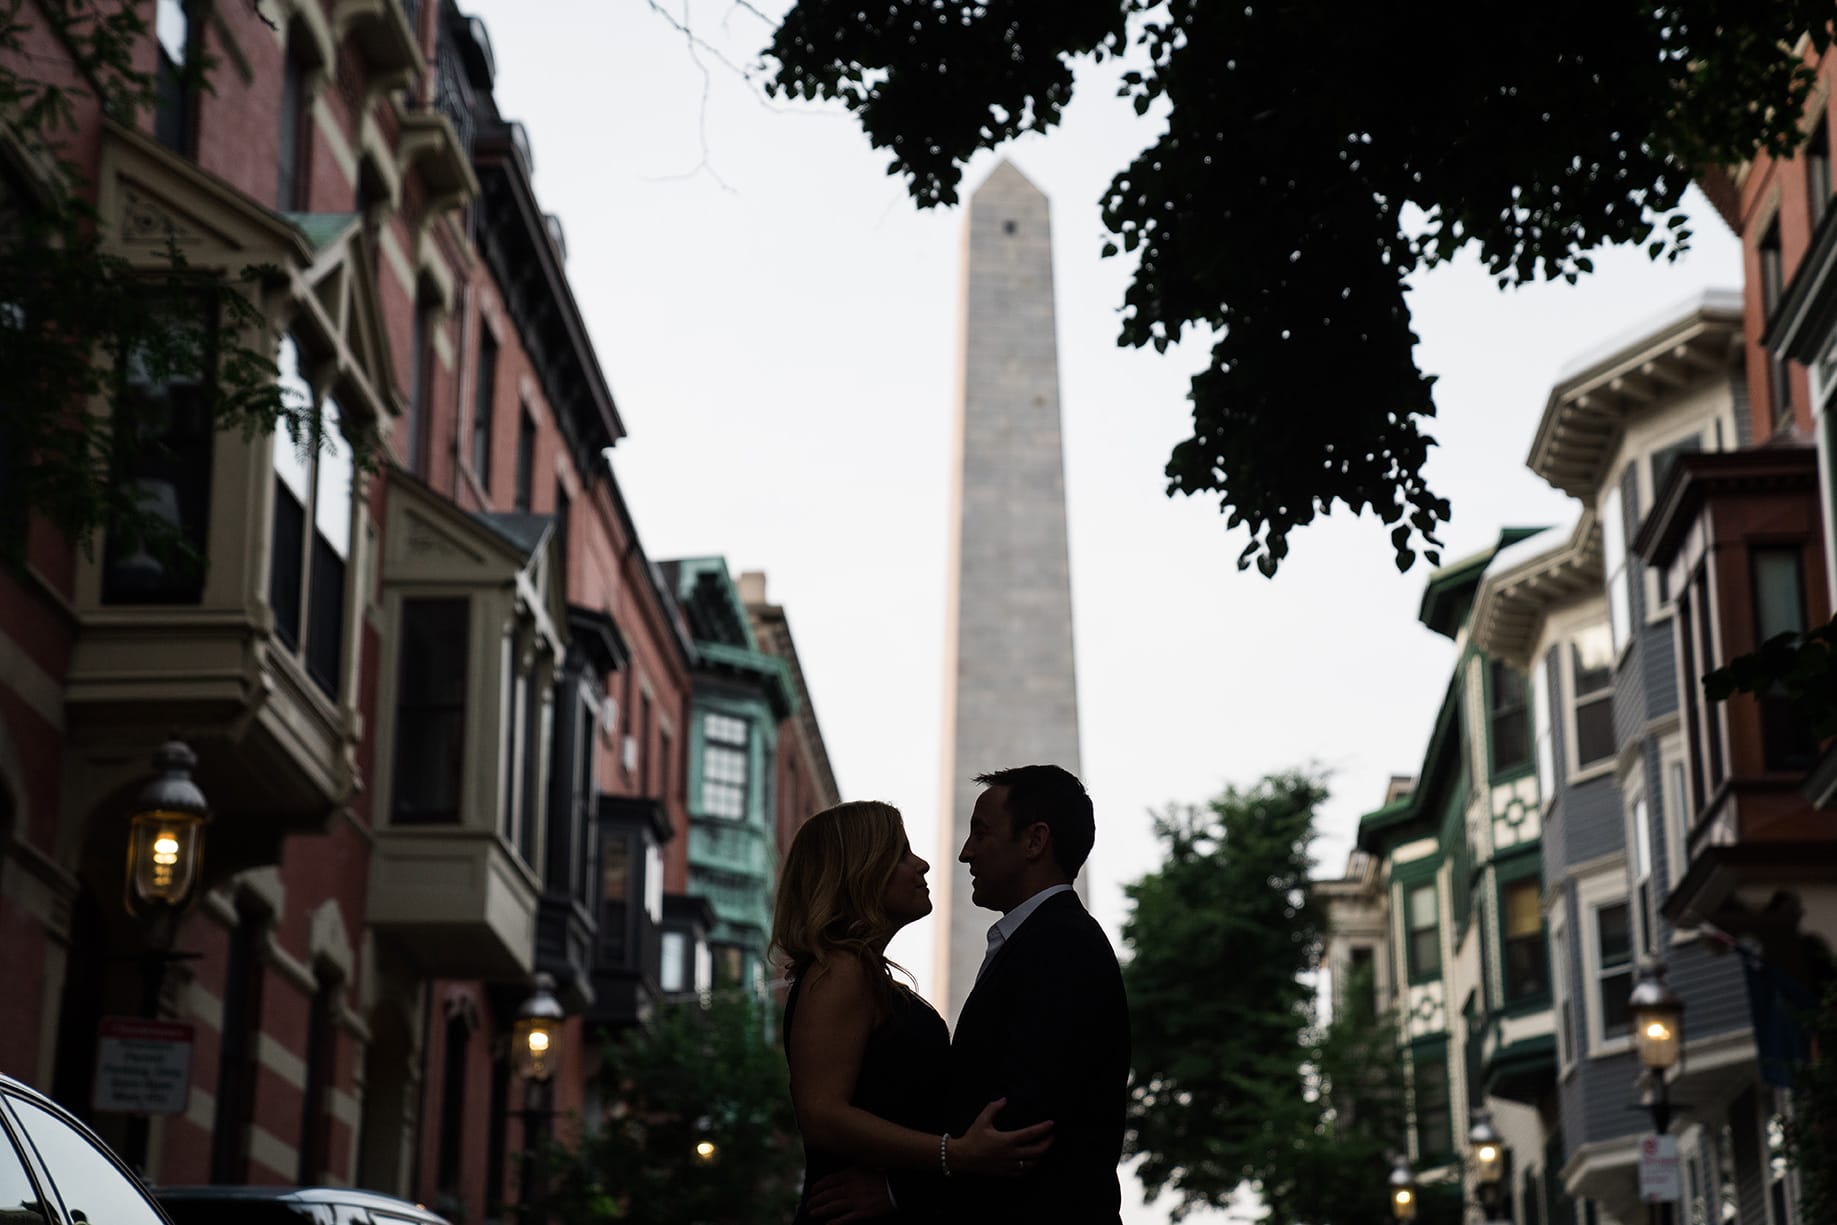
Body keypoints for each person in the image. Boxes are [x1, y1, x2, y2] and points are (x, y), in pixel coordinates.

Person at [773, 800, 1054, 1224]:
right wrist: (954, 1154)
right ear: (861, 870)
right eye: (901, 853)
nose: (922, 864)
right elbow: (821, 1113)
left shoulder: (859, 974)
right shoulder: (841, 970)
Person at [947, 765, 1131, 1225]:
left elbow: (1020, 1124)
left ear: (1034, 841)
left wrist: (899, 1190)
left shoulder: (1061, 946)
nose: (965, 853)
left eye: (980, 833)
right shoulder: (1045, 939)